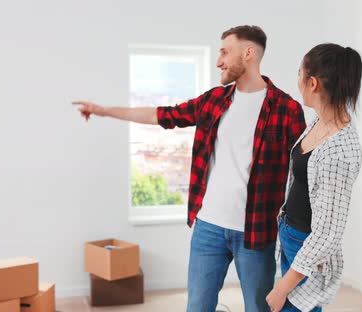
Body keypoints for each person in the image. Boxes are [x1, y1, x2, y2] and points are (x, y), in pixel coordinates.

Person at [75, 25, 306, 312]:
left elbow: (301, 175)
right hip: (208, 226)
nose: (219, 60)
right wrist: (103, 110)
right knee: (197, 306)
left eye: (225, 52)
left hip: (256, 232)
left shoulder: (287, 109)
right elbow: (162, 115)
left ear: (248, 53)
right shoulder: (214, 101)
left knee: (258, 308)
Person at [265, 43, 362, 312]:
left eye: (299, 74)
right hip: (290, 233)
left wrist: (282, 288)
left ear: (312, 83)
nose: (297, 82)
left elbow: (328, 234)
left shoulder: (340, 151)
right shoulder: (318, 121)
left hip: (306, 247)